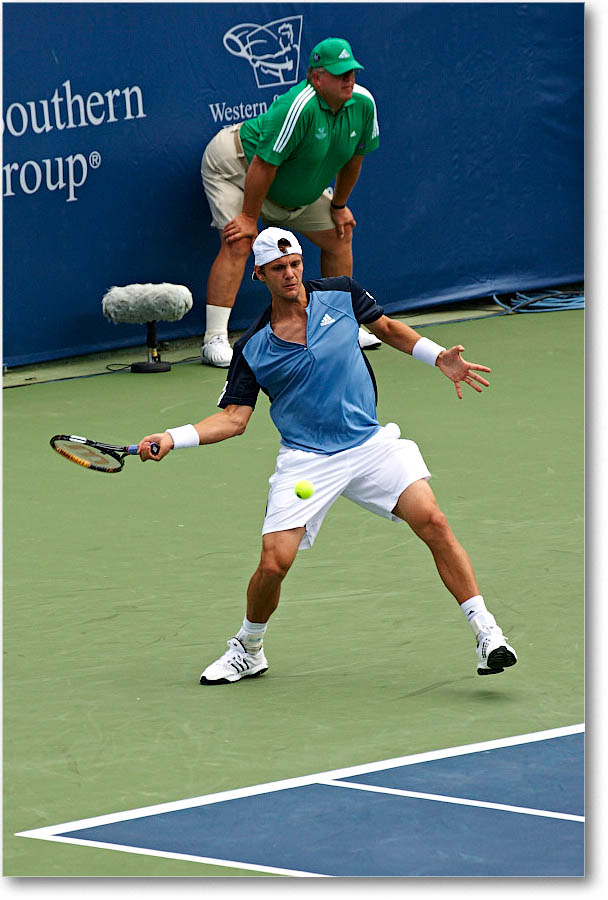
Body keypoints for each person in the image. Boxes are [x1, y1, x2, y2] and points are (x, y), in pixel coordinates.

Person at [138, 227, 518, 685]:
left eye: (295, 264)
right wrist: (173, 437)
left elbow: (388, 329)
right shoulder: (253, 347)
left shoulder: (341, 294)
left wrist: (438, 357)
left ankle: (486, 632)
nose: (290, 274)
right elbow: (234, 419)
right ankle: (248, 648)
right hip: (308, 459)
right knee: (274, 563)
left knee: (432, 520)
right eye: (278, 268)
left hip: (369, 445)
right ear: (260, 275)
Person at [199, 36, 382, 368]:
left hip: (287, 188)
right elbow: (263, 164)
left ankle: (342, 326)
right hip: (236, 168)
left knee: (339, 234)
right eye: (339, 74)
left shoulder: (363, 103)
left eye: (352, 72)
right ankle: (214, 338)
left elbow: (354, 159)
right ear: (316, 78)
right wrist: (248, 217)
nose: (348, 79)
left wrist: (338, 205)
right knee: (240, 240)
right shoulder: (298, 106)